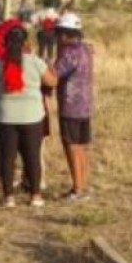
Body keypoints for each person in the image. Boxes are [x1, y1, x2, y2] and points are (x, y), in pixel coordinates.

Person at [0, 24, 56, 207]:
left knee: (7, 158)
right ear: (25, 43)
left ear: (5, 43)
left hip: (5, 116)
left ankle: (8, 197)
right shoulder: (34, 61)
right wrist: (51, 68)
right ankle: (35, 196)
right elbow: (52, 82)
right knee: (32, 157)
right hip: (31, 117)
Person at [51, 13, 95, 201]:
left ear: (65, 34)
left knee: (72, 147)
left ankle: (77, 189)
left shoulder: (69, 54)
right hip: (85, 106)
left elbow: (53, 75)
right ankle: (83, 185)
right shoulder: (85, 50)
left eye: (59, 33)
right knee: (82, 147)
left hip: (70, 107)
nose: (57, 38)